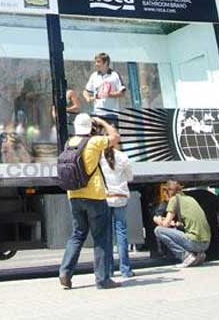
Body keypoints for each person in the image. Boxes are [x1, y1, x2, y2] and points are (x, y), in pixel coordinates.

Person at [59, 112, 120, 290]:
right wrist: (102, 122)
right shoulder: (94, 142)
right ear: (90, 127)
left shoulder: (69, 143)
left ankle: (65, 272)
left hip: (74, 195)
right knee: (101, 237)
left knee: (77, 234)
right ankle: (102, 279)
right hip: (94, 196)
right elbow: (115, 137)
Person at [154, 179, 211, 267]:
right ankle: (198, 254)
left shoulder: (174, 199)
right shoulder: (190, 198)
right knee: (181, 230)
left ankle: (185, 256)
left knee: (158, 230)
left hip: (195, 242)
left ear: (168, 191)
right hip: (206, 243)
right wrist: (174, 223)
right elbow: (184, 224)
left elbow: (165, 225)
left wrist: (157, 220)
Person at [100, 143, 134, 280]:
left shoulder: (99, 157)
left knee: (107, 234)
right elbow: (130, 177)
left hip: (105, 197)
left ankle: (108, 270)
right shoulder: (122, 157)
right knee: (121, 232)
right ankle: (125, 269)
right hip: (120, 197)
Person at [83, 52, 126, 125]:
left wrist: (108, 94)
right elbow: (85, 91)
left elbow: (122, 93)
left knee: (112, 133)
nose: (96, 64)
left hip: (111, 114)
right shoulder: (94, 76)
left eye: (98, 62)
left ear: (105, 63)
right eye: (95, 62)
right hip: (97, 114)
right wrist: (88, 98)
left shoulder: (114, 75)